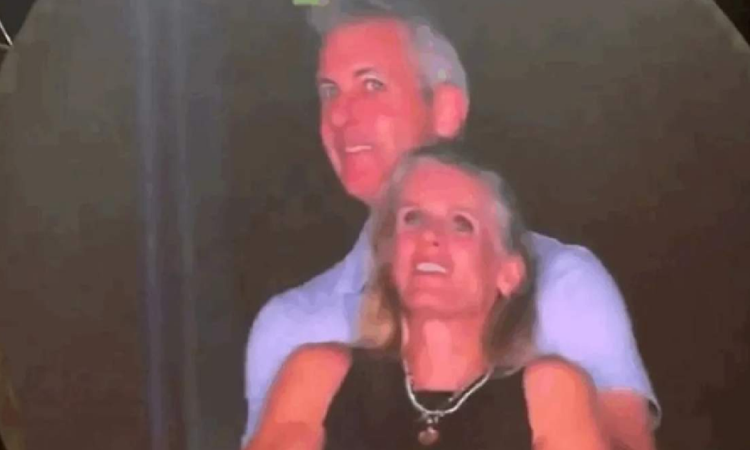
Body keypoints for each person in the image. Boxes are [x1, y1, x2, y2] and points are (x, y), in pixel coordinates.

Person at [244, 1, 659, 448]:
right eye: (330, 91)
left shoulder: (564, 282)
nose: (340, 115)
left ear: (445, 109)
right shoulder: (292, 327)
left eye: (372, 85)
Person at [245, 145, 610, 450]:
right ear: (389, 256)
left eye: (461, 223)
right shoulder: (319, 376)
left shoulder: (550, 391)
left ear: (508, 273)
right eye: (413, 218)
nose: (429, 236)